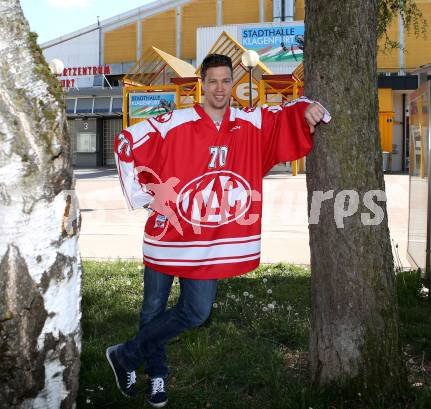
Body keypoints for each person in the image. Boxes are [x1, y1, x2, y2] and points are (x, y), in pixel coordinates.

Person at [107, 54, 330, 408]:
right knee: (152, 309)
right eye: (212, 81)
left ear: (233, 83)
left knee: (197, 312)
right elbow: (126, 143)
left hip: (212, 244)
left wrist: (308, 110)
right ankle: (157, 373)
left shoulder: (248, 121)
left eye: (226, 81)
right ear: (202, 83)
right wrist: (144, 196)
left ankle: (124, 356)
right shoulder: (174, 122)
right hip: (168, 236)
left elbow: (287, 113)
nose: (220, 88)